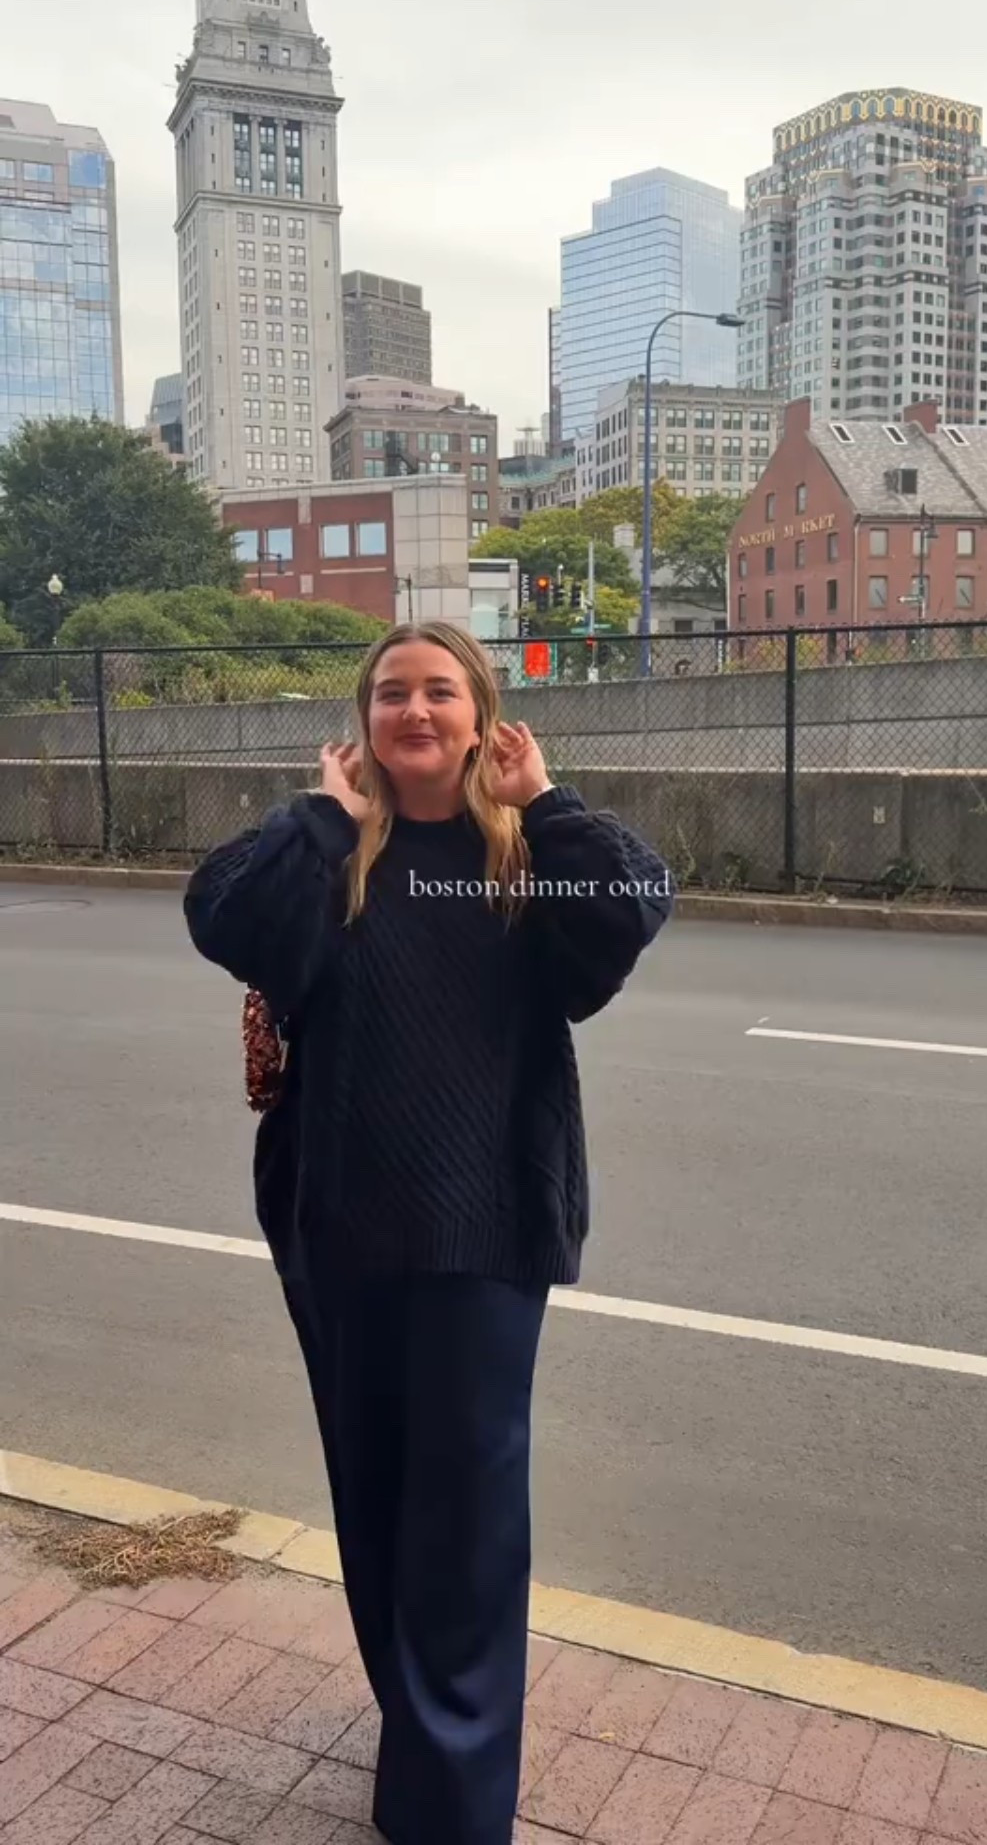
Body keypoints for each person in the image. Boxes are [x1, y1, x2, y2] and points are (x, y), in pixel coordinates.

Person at [183, 619, 673, 1845]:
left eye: (439, 691)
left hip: (486, 1236)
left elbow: (628, 912)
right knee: (378, 1501)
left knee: (466, 1523)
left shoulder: (522, 856)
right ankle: (421, 1732)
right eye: (392, 693)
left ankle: (451, 1809)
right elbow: (225, 921)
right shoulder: (330, 854)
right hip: (341, 1234)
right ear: (362, 721)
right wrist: (321, 817)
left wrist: (545, 799)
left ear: (481, 713)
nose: (415, 711)